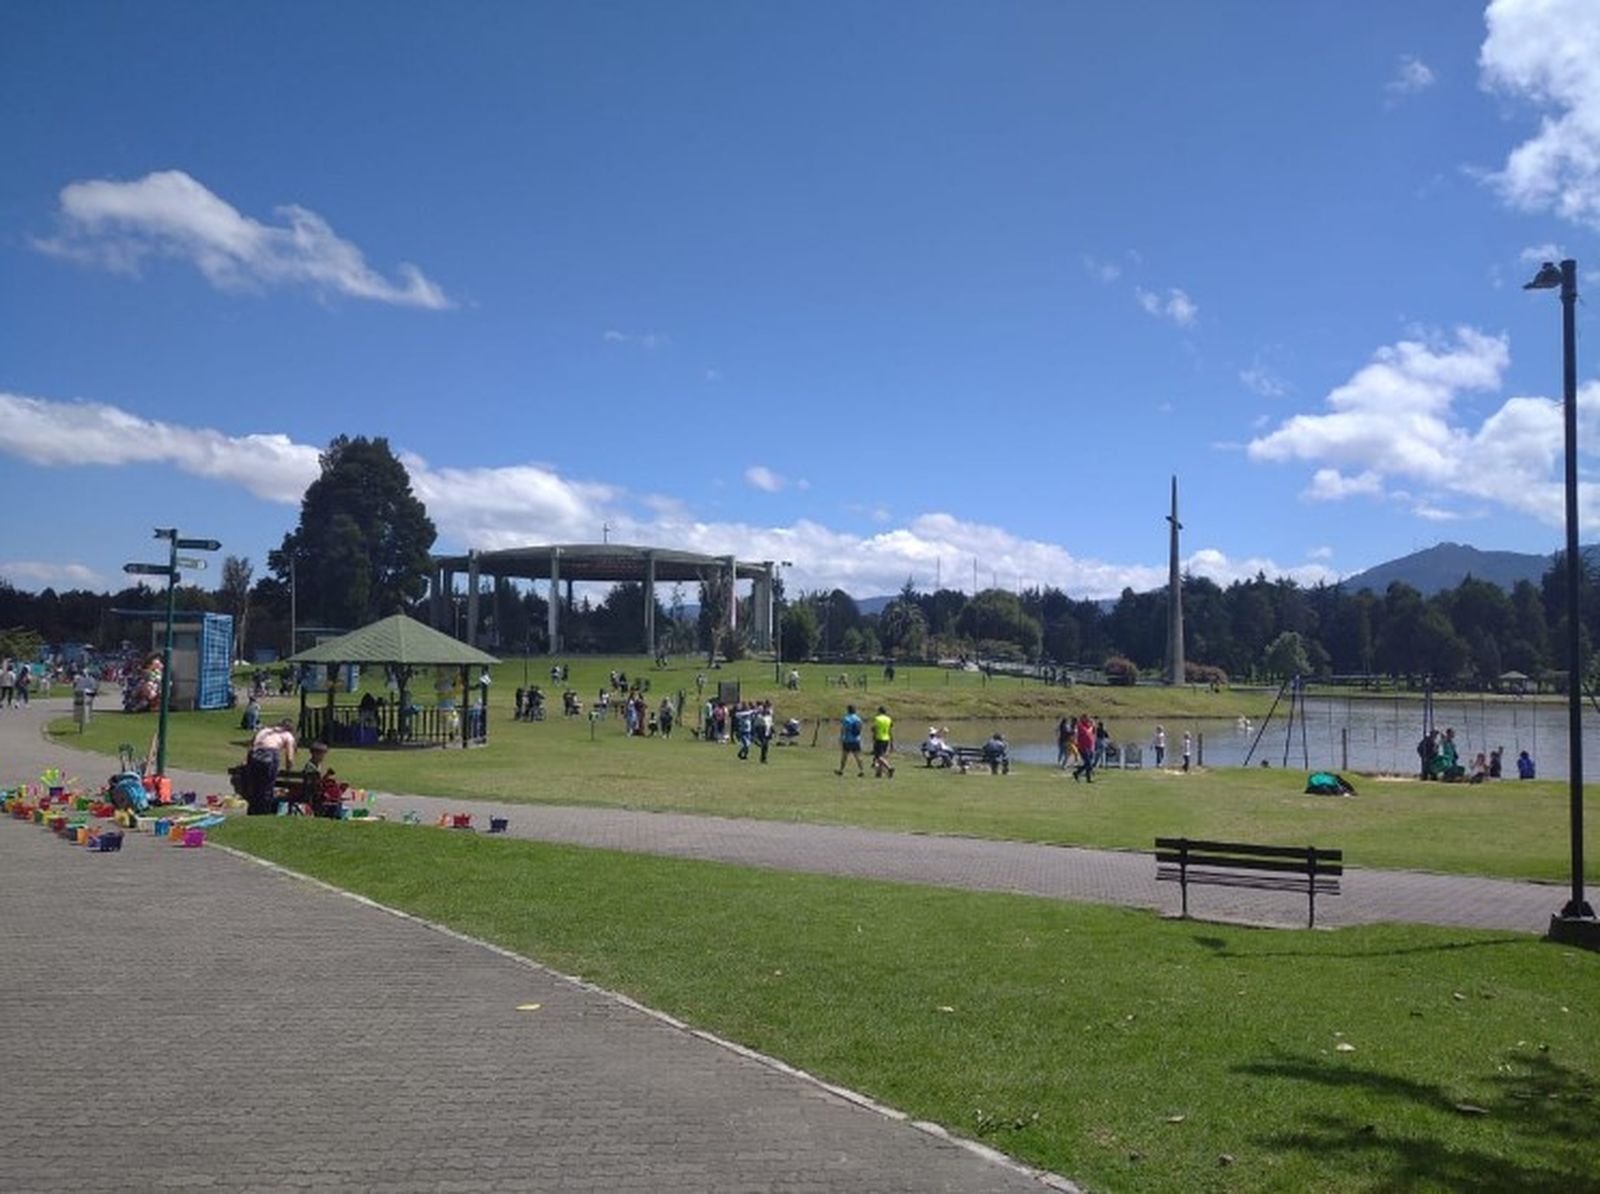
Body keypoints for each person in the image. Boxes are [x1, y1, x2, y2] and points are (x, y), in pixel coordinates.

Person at [246, 718, 297, 816]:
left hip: (254, 757)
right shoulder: (287, 735)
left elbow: (251, 746)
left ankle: (253, 811)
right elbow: (289, 758)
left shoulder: (264, 731)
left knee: (255, 787)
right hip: (269, 757)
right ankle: (264, 812)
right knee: (267, 788)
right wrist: (288, 771)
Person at [836, 704, 865, 777]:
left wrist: (841, 738)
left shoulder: (846, 718)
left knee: (844, 756)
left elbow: (843, 729)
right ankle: (862, 770)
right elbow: (860, 729)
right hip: (856, 740)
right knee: (857, 756)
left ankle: (841, 770)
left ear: (848, 710)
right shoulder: (858, 719)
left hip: (847, 740)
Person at [871, 705, 895, 778]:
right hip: (886, 739)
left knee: (878, 757)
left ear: (879, 711)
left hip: (879, 739)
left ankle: (889, 768)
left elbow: (874, 729)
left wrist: (873, 738)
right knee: (882, 756)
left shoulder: (877, 718)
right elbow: (890, 731)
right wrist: (892, 743)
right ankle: (879, 773)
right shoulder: (889, 719)